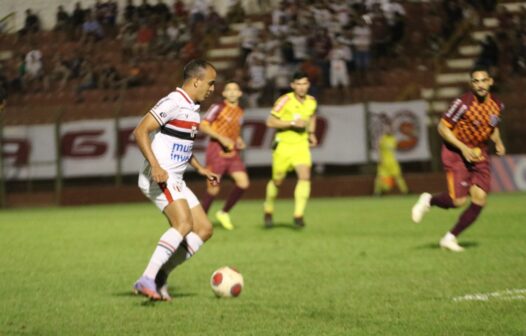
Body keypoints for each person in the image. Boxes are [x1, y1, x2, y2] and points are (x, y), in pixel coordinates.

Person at [132, 59, 219, 300]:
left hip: (176, 178)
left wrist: (200, 168)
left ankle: (160, 276)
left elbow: (180, 144)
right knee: (183, 224)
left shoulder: (192, 107)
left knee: (204, 229)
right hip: (158, 176)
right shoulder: (174, 102)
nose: (212, 88)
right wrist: (156, 166)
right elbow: (140, 131)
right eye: (210, 83)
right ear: (197, 81)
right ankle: (146, 278)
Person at [411, 66, 506, 252]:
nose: (480, 85)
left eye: (483, 80)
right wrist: (463, 148)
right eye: (475, 81)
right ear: (471, 84)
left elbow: (492, 127)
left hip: (479, 153)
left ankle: (450, 238)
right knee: (458, 201)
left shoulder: (497, 105)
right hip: (456, 153)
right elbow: (442, 127)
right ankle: (429, 200)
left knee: (480, 199)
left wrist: (499, 142)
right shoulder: (463, 103)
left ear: (490, 82)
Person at [263, 71, 317, 228]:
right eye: (298, 84)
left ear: (308, 85)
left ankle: (298, 215)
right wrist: (292, 123)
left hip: (301, 146)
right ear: (293, 85)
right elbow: (270, 121)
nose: (301, 87)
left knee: (305, 176)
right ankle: (268, 208)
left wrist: (311, 133)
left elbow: (312, 116)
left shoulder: (312, 101)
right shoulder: (284, 100)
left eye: (304, 84)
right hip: (283, 146)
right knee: (277, 181)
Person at [199, 81, 249, 230]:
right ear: (224, 93)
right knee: (213, 188)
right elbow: (202, 125)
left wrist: (238, 140)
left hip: (232, 153)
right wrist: (221, 138)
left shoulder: (240, 111)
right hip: (216, 152)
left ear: (240, 93)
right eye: (229, 90)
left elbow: (235, 131)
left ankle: (223, 212)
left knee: (243, 183)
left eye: (235, 89)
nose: (232, 92)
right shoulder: (217, 107)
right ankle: (200, 221)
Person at [373, 115, 408, 196]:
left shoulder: (393, 139)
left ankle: (405, 191)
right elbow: (377, 148)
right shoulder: (382, 138)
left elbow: (394, 148)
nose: (389, 129)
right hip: (383, 161)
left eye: (390, 128)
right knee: (379, 177)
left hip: (392, 161)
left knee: (398, 176)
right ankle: (377, 192)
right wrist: (380, 158)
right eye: (387, 128)